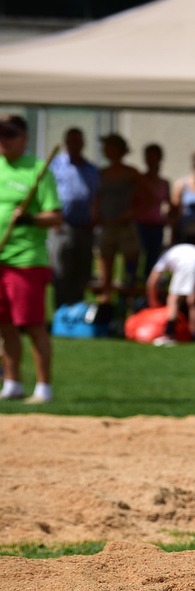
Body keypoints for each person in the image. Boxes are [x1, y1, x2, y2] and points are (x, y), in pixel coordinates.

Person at [0, 114, 62, 404]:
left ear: (24, 138)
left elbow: (56, 216)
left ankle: (43, 387)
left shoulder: (38, 171)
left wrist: (30, 219)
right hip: (1, 259)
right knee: (4, 324)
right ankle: (11, 382)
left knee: (32, 324)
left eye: (10, 135)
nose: (4, 140)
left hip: (26, 261)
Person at [47, 127, 98, 308]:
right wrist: (53, 220)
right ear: (66, 143)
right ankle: (61, 311)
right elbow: (46, 191)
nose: (75, 145)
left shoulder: (91, 169)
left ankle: (76, 309)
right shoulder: (55, 165)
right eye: (71, 141)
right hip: (62, 226)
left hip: (84, 227)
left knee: (82, 270)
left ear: (83, 144)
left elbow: (95, 196)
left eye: (78, 141)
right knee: (61, 271)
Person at [93, 133, 142, 299]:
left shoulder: (131, 173)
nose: (105, 150)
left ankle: (129, 303)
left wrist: (133, 212)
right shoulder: (101, 173)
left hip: (125, 228)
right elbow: (96, 197)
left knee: (130, 271)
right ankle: (105, 306)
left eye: (109, 146)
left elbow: (149, 197)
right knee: (105, 270)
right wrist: (96, 213)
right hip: (106, 226)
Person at [145, 242, 195, 347]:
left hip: (189, 262)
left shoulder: (165, 257)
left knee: (173, 298)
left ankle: (169, 334)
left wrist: (152, 302)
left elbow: (152, 282)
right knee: (193, 301)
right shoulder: (177, 251)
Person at [135, 143, 170, 278]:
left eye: (154, 157)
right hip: (140, 226)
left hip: (157, 227)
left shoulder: (164, 183)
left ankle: (150, 293)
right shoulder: (139, 181)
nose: (151, 160)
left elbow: (168, 204)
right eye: (148, 157)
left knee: (153, 263)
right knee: (135, 262)